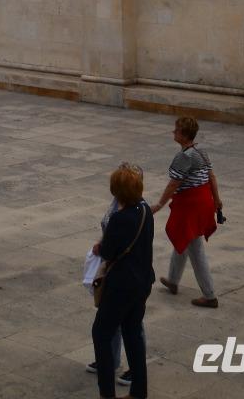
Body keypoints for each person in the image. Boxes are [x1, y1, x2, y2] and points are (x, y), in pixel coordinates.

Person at [91, 163, 154, 399]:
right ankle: (139, 391)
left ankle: (107, 393)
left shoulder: (120, 219)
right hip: (142, 281)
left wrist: (100, 247)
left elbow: (108, 252)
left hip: (121, 286)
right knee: (133, 333)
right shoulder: (145, 209)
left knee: (101, 334)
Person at [151, 116, 221, 309]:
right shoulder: (202, 151)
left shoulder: (184, 157)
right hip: (203, 201)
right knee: (184, 238)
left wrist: (159, 204)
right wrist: (217, 199)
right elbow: (211, 176)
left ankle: (209, 295)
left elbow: (174, 183)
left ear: (183, 135)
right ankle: (173, 280)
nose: (173, 133)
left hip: (190, 206)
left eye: (176, 130)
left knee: (195, 248)